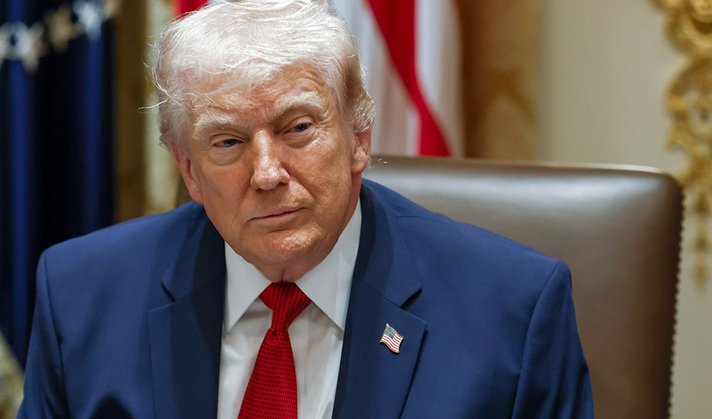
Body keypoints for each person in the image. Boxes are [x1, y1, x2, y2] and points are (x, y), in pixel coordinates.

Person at [18, 1, 593, 418]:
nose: (267, 173)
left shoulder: (513, 313)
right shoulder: (80, 298)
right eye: (227, 142)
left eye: (297, 129)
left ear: (359, 138)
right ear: (188, 170)